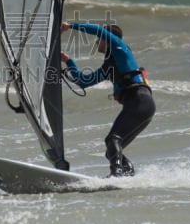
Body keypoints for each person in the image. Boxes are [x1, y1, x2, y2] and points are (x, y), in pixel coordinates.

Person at [60, 21, 155, 177]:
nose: (97, 41)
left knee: (113, 140)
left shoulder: (119, 48)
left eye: (99, 38)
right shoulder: (109, 66)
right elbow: (84, 82)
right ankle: (128, 173)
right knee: (112, 148)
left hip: (139, 101)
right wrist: (68, 61)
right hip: (140, 105)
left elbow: (97, 29)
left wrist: (70, 26)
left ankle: (116, 174)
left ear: (108, 39)